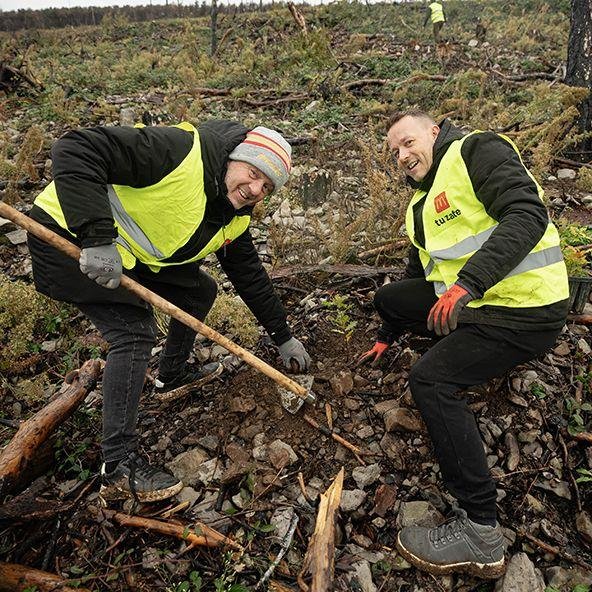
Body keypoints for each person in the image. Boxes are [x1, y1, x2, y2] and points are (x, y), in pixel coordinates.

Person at [28, 120, 311, 503]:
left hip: (126, 257)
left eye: (267, 187)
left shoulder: (233, 215)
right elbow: (77, 147)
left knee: (199, 290)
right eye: (254, 173)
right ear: (235, 158)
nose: (255, 189)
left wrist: (284, 337)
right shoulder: (177, 152)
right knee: (133, 332)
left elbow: (250, 277)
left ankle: (172, 375)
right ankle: (118, 465)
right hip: (67, 237)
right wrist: (97, 237)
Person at [358, 110, 569, 578]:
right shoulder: (421, 201)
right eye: (394, 151)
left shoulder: (476, 150)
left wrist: (469, 284)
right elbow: (425, 272)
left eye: (408, 142)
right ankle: (406, 333)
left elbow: (528, 214)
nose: (402, 155)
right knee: (387, 297)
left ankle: (480, 530)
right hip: (476, 302)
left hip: (524, 309)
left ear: (434, 131)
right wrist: (387, 332)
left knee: (430, 379)